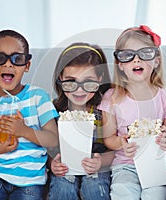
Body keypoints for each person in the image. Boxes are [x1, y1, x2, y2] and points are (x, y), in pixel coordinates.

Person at [0, 30, 59, 200]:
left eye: (17, 59)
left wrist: (23, 131)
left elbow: (53, 140)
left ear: (27, 65)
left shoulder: (38, 98)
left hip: (30, 180)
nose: (8, 64)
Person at [98, 25, 166, 200]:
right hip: (126, 164)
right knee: (122, 192)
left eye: (145, 54)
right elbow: (109, 139)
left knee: (155, 195)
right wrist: (121, 142)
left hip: (157, 164)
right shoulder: (112, 98)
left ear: (156, 60)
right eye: (128, 55)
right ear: (120, 65)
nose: (136, 60)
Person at [48, 42, 114, 200]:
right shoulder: (52, 110)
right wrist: (52, 164)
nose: (79, 89)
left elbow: (115, 149)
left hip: (96, 167)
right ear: (60, 78)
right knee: (62, 188)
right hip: (65, 166)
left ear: (99, 80)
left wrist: (101, 162)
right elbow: (44, 149)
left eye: (88, 82)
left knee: (94, 188)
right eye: (71, 81)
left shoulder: (104, 110)